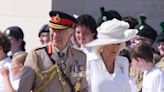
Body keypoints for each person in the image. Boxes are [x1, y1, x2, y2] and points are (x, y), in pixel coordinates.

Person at [18, 10, 88, 92]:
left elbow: (82, 88)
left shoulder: (79, 57)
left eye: (60, 31)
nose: (55, 35)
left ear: (71, 33)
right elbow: (23, 89)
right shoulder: (36, 55)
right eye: (53, 30)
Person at [86, 18, 138, 92]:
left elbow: (127, 89)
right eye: (112, 44)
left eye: (118, 44)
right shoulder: (90, 62)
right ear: (103, 45)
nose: (116, 47)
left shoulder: (123, 62)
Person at [130, 15, 160, 92]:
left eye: (139, 39)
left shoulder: (155, 60)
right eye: (134, 39)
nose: (134, 42)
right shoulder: (133, 59)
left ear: (148, 42)